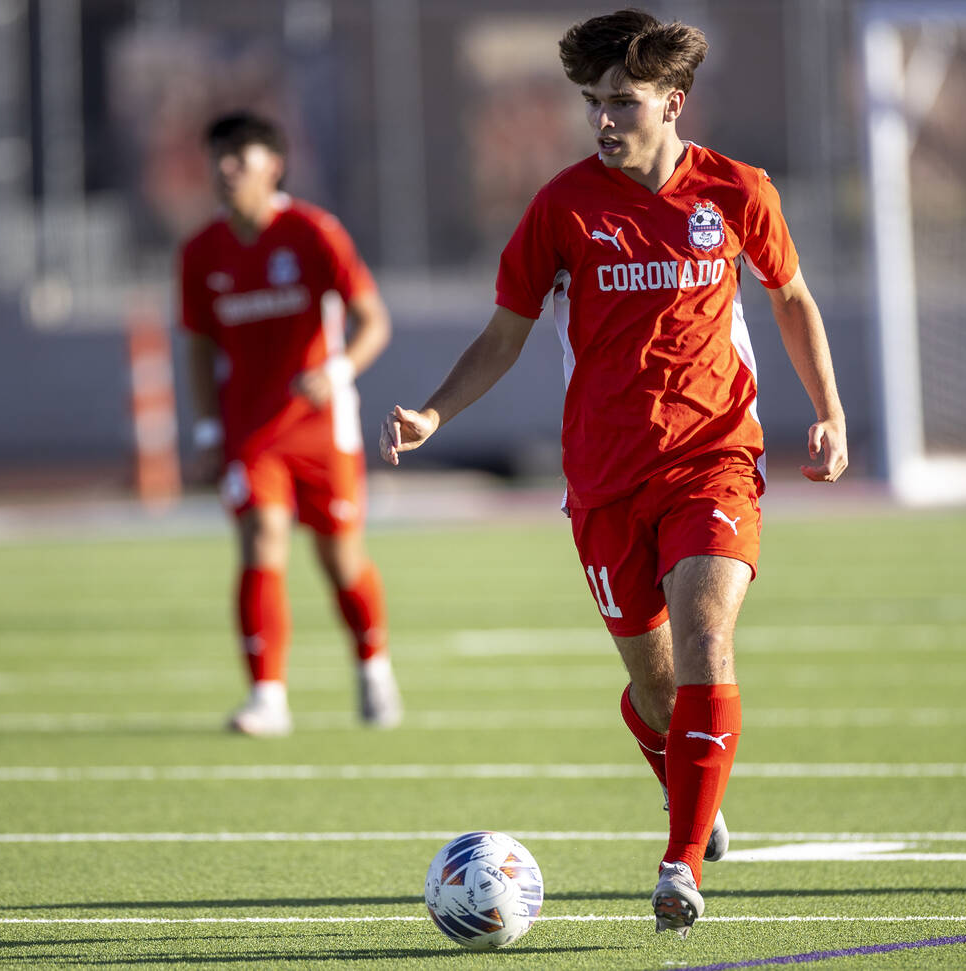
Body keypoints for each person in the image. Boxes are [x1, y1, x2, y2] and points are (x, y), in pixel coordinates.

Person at [380, 10, 846, 935]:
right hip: (601, 479)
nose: (602, 118)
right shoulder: (562, 207)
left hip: (714, 456)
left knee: (710, 636)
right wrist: (435, 410)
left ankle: (679, 861)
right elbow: (504, 334)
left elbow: (789, 294)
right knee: (657, 690)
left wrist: (828, 411)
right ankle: (693, 789)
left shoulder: (737, 191)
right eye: (592, 102)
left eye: (621, 102)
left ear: (673, 103)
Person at [180, 110, 402, 736]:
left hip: (322, 427)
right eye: (218, 158)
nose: (225, 170)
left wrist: (337, 371)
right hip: (251, 433)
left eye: (239, 158)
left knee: (341, 560)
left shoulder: (312, 232)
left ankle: (373, 666)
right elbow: (197, 345)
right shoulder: (200, 253)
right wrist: (204, 430)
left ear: (272, 166)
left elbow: (373, 320)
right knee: (260, 542)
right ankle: (267, 696)